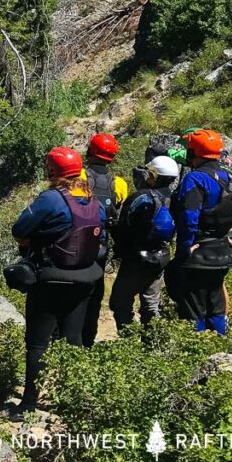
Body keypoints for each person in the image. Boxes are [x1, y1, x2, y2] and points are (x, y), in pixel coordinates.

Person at [11, 148, 106, 413]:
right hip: (86, 278)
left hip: (51, 280)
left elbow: (19, 229)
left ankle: (28, 404)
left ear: (52, 172)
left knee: (38, 343)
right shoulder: (93, 199)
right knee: (73, 338)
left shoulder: (51, 199)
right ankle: (73, 403)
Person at [166, 129, 232, 335]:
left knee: (194, 309)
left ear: (194, 152)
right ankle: (219, 346)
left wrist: (185, 248)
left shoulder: (195, 179)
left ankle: (197, 354)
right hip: (222, 251)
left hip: (197, 255)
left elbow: (188, 218)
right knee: (216, 305)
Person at [108, 156, 179, 329]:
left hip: (135, 259)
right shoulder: (177, 199)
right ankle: (150, 342)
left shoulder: (142, 197)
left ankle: (127, 336)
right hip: (162, 256)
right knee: (151, 303)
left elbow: (124, 226)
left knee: (120, 301)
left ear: (153, 175)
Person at [80, 133, 128, 347]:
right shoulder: (118, 184)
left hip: (76, 243)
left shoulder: (79, 176)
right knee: (95, 293)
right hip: (101, 244)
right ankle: (88, 338)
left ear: (90, 152)